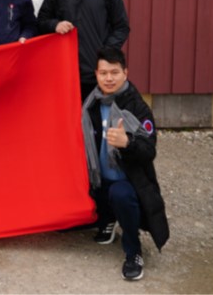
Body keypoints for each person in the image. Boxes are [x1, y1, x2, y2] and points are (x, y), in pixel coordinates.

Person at [82, 46, 169, 281]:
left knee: (120, 194)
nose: (108, 78)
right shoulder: (90, 103)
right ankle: (108, 219)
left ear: (125, 73)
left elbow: (149, 150)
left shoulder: (137, 106)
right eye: (103, 73)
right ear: (96, 74)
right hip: (99, 179)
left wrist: (127, 143)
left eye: (114, 72)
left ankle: (133, 252)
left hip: (127, 183)